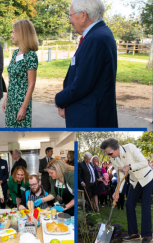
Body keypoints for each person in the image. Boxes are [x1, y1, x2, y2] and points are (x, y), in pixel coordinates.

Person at [54, 0, 118, 128]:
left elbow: (82, 84)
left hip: (90, 117)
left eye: (71, 15)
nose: (69, 21)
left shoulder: (95, 38)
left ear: (83, 15)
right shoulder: (101, 34)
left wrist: (59, 99)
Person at [100, 138, 153, 242]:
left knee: (145, 205)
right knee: (129, 204)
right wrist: (117, 191)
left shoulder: (130, 148)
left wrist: (129, 166)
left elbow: (144, 163)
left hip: (147, 178)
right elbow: (120, 174)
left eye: (110, 154)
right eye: (108, 155)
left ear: (116, 148)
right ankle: (134, 233)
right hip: (135, 181)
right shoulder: (113, 159)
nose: (109, 157)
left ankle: (147, 234)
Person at [2, 19, 38, 128]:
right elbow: (12, 80)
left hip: (21, 101)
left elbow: (31, 84)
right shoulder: (14, 53)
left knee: (21, 131)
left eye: (13, 32)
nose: (11, 35)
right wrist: (6, 99)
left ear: (21, 34)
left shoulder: (31, 56)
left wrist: (24, 107)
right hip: (11, 100)